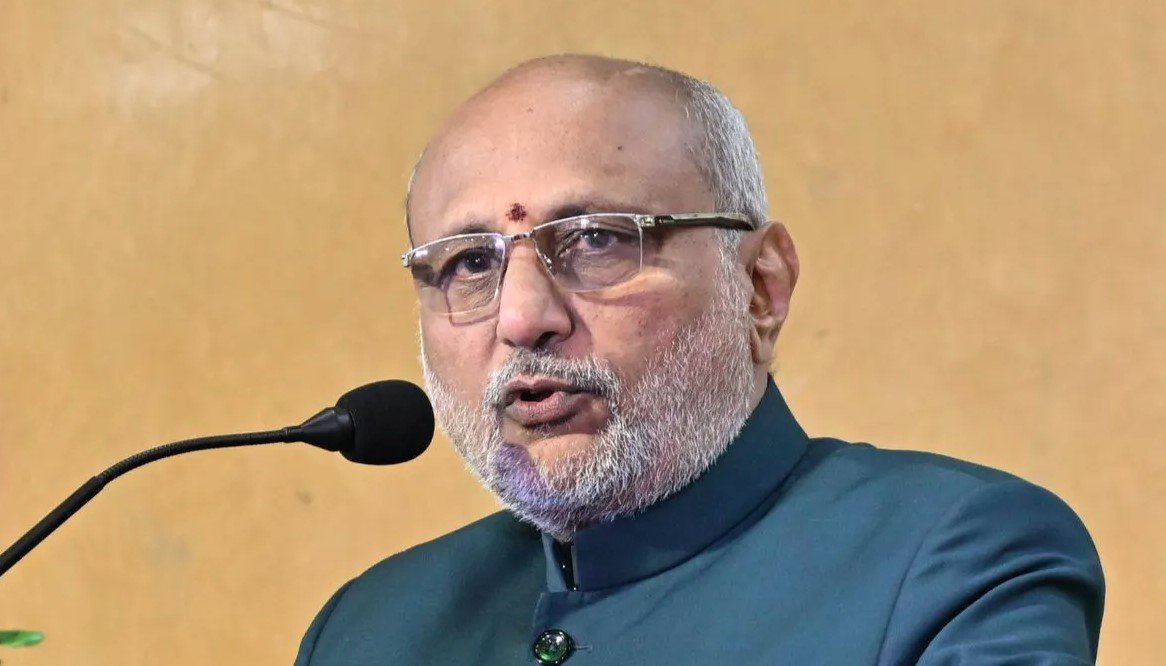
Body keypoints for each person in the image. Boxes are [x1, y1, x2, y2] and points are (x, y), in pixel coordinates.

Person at [296, 55, 1104, 665]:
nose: (523, 318)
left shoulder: (956, 560)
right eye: (471, 262)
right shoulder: (370, 629)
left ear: (761, 287)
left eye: (596, 241)